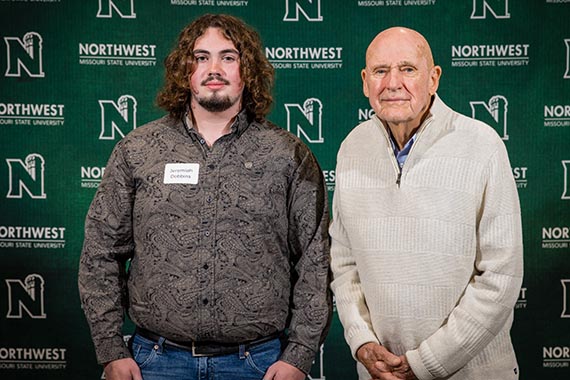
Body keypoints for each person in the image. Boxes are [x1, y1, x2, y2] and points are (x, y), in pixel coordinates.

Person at [78, 13, 331, 380]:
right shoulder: (138, 150)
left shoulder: (288, 156)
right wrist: (110, 349)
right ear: (185, 69)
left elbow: (315, 262)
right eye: (201, 57)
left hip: (257, 365)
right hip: (154, 363)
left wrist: (299, 356)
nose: (215, 68)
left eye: (228, 57)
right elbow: (100, 252)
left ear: (248, 70)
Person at [329, 27, 523, 380]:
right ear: (364, 81)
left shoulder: (482, 145)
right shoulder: (352, 148)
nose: (392, 83)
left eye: (407, 69)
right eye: (380, 71)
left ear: (433, 79)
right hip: (379, 372)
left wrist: (425, 363)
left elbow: (501, 276)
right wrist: (362, 342)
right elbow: (344, 262)